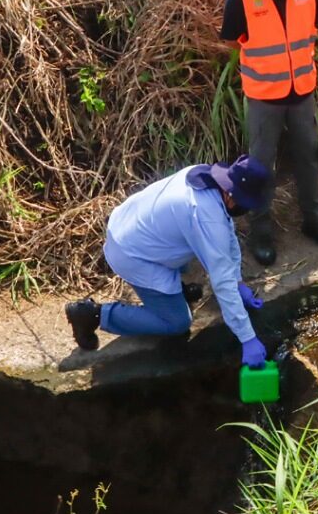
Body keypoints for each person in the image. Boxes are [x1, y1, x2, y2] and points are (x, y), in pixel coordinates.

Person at [64, 156, 271, 370]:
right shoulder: (205, 213)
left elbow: (227, 235)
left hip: (131, 226)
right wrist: (247, 337)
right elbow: (221, 280)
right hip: (132, 254)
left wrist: (238, 283)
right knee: (177, 322)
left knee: (195, 247)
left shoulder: (204, 176)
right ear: (231, 195)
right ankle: (93, 314)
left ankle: (173, 293)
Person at [219, 0, 318, 267]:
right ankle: (260, 232)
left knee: (307, 157)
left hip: (302, 92)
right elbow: (233, 39)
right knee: (259, 167)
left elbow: (311, 28)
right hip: (263, 97)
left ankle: (313, 220)